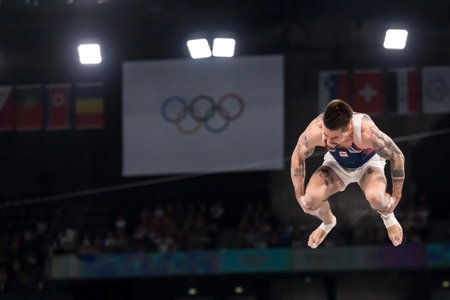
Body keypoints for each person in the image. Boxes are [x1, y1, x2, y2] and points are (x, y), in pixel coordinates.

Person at [290, 99, 405, 248]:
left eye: (335, 138)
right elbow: (297, 155)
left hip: (368, 165)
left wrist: (396, 196)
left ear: (349, 129)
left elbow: (397, 156)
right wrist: (299, 195)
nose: (329, 142)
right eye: (327, 136)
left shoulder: (367, 132)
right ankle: (328, 223)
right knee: (309, 201)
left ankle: (388, 217)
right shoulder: (315, 131)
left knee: (376, 198)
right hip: (336, 165)